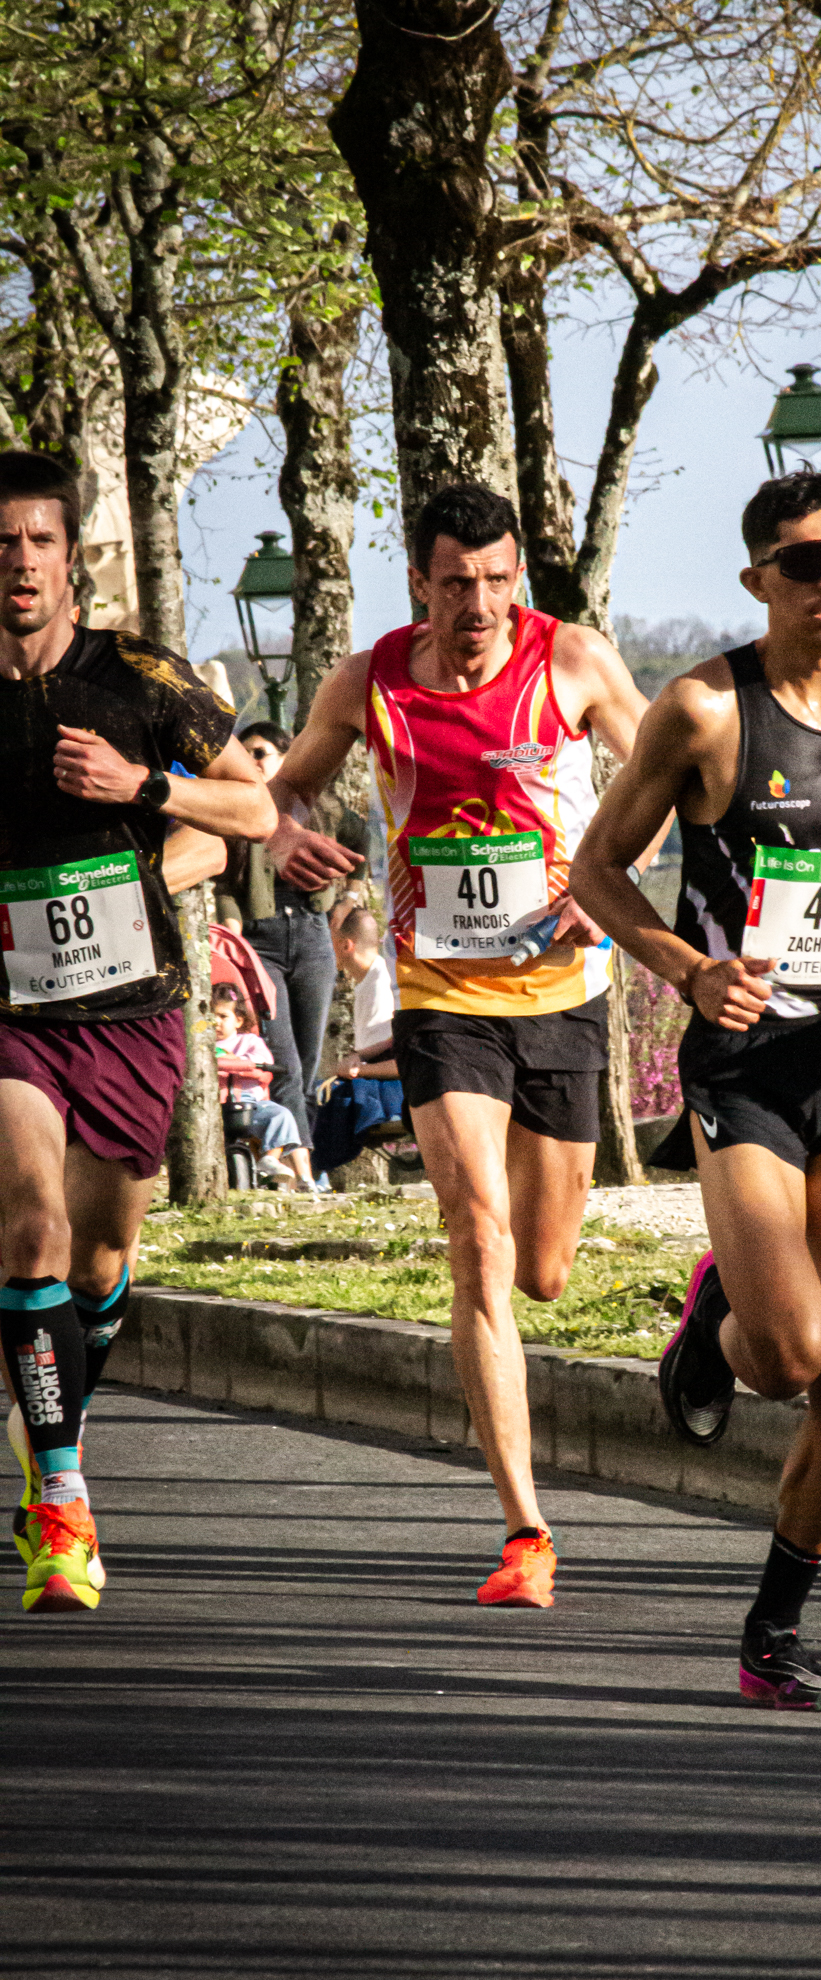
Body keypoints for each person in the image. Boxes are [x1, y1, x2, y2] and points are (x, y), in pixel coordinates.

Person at [570, 470, 821, 1710]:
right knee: (789, 1353)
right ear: (759, 579)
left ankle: (773, 1632)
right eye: (804, 562)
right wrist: (689, 970)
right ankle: (717, 1321)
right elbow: (595, 869)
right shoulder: (703, 710)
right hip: (744, 1061)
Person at [256, 481, 656, 1607]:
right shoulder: (369, 679)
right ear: (418, 584)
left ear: (516, 576)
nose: (476, 606)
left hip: (563, 987)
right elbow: (286, 789)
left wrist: (606, 887)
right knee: (477, 1239)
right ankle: (526, 1530)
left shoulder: (572, 661)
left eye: (494, 581)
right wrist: (284, 834)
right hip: (439, 993)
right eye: (453, 584)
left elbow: (666, 778)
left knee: (545, 1267)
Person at [0, 449, 274, 1613]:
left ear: (73, 559)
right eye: (2, 543)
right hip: (13, 1013)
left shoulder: (140, 676)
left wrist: (144, 786)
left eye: (39, 541)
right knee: (30, 1227)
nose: (20, 562)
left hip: (131, 1008)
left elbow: (254, 804)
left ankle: (49, 1417)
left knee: (101, 1263)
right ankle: (62, 1496)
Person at [215, 721, 366, 1159]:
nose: (253, 761)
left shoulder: (320, 809)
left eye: (261, 752)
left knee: (309, 1059)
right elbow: (222, 879)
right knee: (285, 1061)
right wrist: (231, 922)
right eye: (246, 754)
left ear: (285, 758)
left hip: (313, 934)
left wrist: (349, 898)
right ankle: (301, 1168)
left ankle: (297, 1161)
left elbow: (360, 836)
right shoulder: (234, 809)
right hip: (259, 942)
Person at [210, 985, 316, 1190]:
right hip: (214, 1104)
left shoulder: (249, 1041)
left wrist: (236, 1061)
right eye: (211, 1016)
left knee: (281, 1115)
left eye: (223, 1016)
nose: (216, 1022)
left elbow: (263, 1061)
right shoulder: (201, 1045)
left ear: (238, 1020)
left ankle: (270, 1160)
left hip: (249, 1104)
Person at [328, 904, 398, 1080]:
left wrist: (353, 1067)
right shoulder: (371, 978)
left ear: (346, 945)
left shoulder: (379, 985)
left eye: (328, 941)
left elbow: (380, 1057)